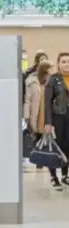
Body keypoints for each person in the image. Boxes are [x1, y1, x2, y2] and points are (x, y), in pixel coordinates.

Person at [44, 53, 69, 189]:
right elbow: (47, 103)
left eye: (68, 62)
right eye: (63, 62)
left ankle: (65, 175)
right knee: (55, 148)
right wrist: (48, 122)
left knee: (67, 147)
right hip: (58, 117)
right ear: (58, 64)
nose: (66, 64)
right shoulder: (53, 80)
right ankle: (53, 176)